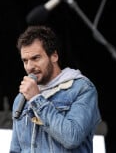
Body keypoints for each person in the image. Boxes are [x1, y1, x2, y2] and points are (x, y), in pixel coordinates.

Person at [10, 25, 101, 153]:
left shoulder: (81, 88)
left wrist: (37, 99)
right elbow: (16, 149)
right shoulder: (22, 98)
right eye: (25, 61)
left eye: (36, 58)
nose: (29, 67)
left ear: (54, 56)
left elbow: (72, 138)